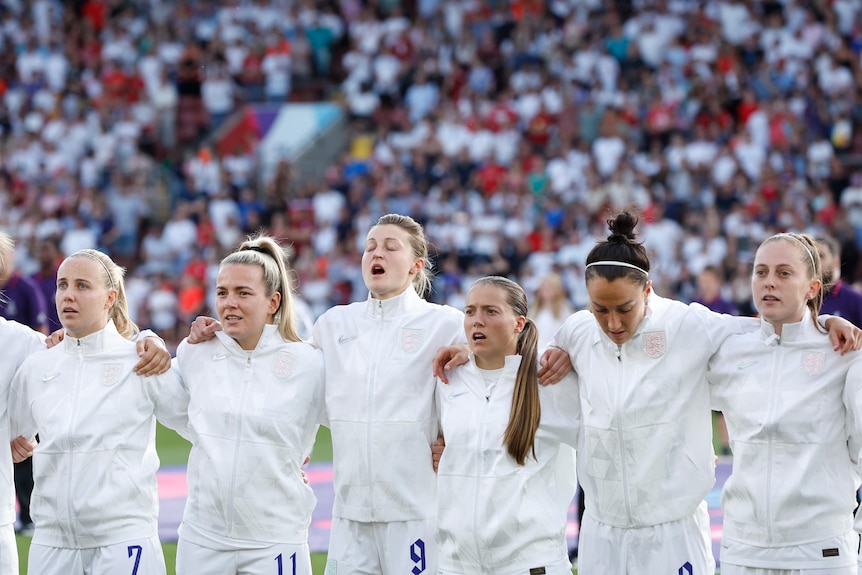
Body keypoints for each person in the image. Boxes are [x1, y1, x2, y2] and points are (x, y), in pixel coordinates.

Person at [434, 212, 860, 574]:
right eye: (601, 309)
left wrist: (824, 326)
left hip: (673, 531)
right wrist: (468, 351)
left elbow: (765, 333)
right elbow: (516, 360)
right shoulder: (578, 331)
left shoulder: (687, 325)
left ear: (649, 292)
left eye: (624, 308)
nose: (613, 322)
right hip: (602, 530)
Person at [190, 214, 478, 575]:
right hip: (349, 517)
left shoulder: (446, 324)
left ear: (416, 266)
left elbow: (494, 383)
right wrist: (225, 332)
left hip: (417, 514)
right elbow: (282, 376)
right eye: (370, 246)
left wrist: (471, 354)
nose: (377, 253)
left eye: (391, 247)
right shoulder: (335, 325)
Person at [8, 248, 188, 575]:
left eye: (82, 286)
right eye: (62, 285)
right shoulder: (38, 366)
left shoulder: (141, 359)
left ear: (110, 298)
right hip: (52, 543)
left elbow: (202, 422)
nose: (68, 295)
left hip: (123, 540)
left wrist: (283, 457)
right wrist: (17, 444)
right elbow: (12, 433)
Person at [708, 232, 862, 574]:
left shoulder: (845, 354)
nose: (769, 283)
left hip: (821, 553)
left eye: (783, 273)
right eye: (760, 272)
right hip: (743, 553)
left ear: (812, 288)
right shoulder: (731, 349)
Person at [173, 234, 325, 575]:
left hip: (276, 537)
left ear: (273, 302)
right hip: (203, 537)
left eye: (243, 293)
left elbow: (356, 417)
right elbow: (157, 394)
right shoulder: (195, 353)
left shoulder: (309, 363)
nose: (229, 303)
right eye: (222, 292)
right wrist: (148, 340)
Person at [435, 276, 579, 575]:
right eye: (470, 311)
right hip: (457, 565)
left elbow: (601, 447)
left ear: (519, 323)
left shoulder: (549, 380)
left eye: (491, 311)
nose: (477, 320)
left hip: (530, 564)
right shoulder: (450, 379)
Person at [816, 235, 862, 327]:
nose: (815, 261)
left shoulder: (855, 300)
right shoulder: (802, 299)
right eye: (813, 256)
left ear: (836, 261)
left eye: (821, 256)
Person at [528, 272, 576, 346]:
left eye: (549, 287)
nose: (545, 290)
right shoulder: (534, 309)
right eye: (543, 287)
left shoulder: (564, 307)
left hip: (555, 350)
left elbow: (569, 331)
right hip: (536, 349)